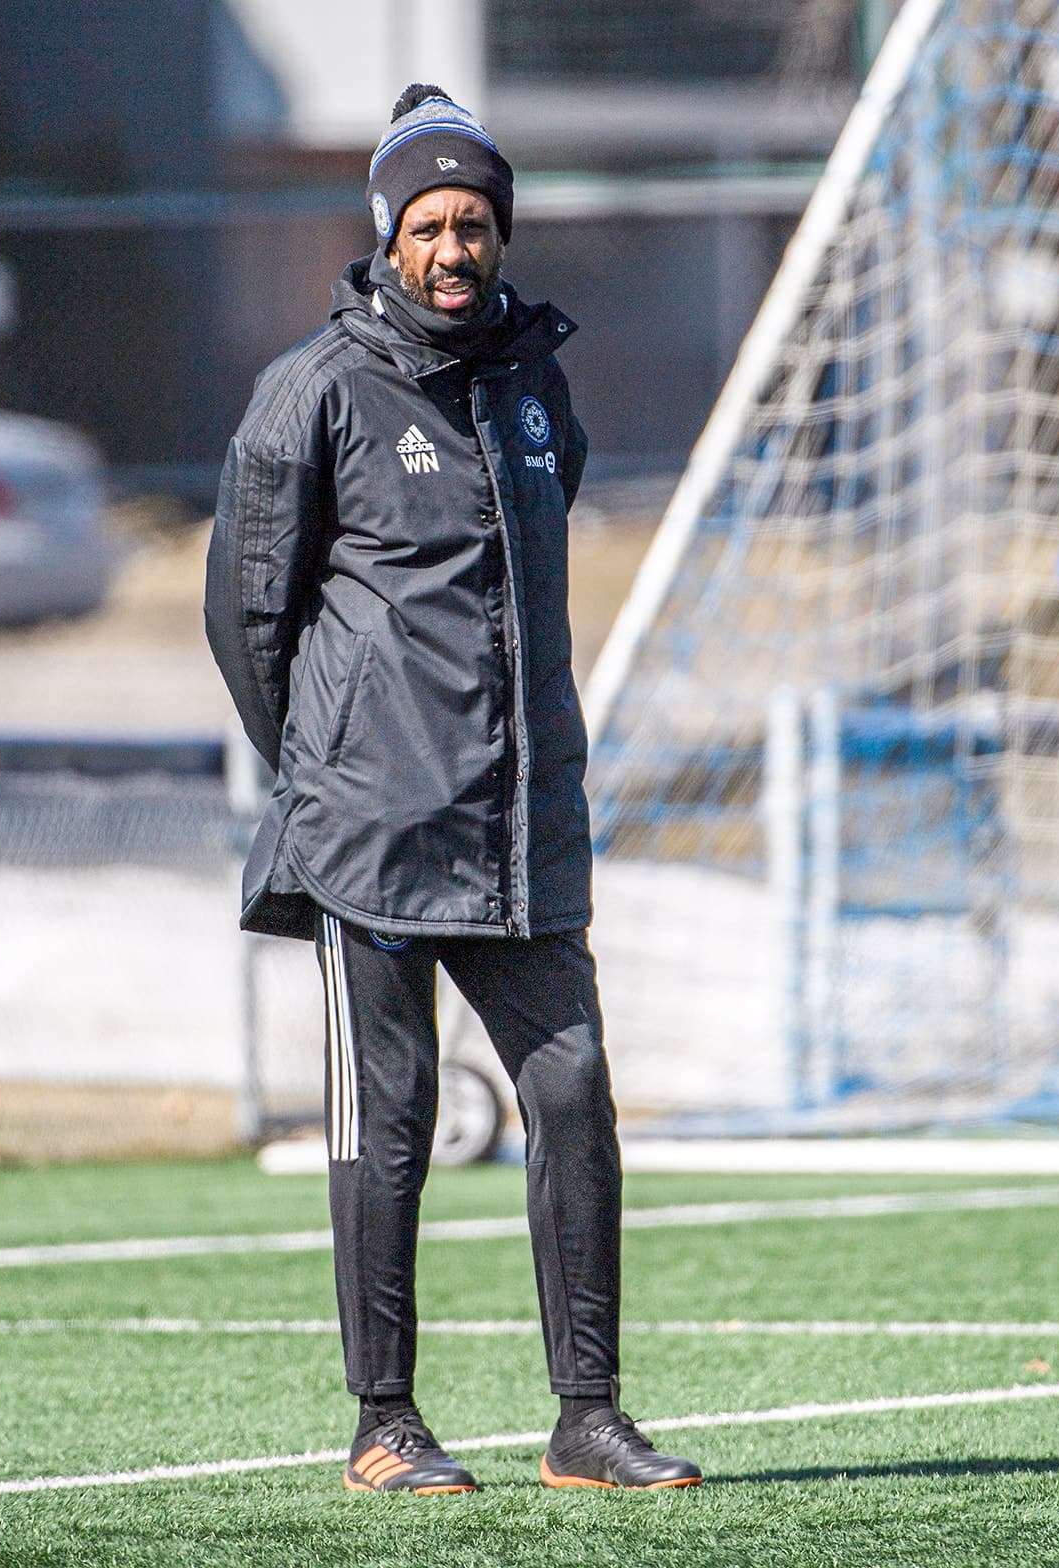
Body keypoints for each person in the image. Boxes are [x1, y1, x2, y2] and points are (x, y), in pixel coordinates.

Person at [205, 85, 699, 1494]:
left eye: (474, 222)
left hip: (524, 828)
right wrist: (328, 762)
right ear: (387, 234)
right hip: (371, 828)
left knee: (576, 1094)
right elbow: (248, 613)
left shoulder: (535, 385)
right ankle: (387, 1422)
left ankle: (587, 1419)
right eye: (428, 224)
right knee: (395, 1119)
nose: (454, 248)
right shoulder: (312, 389)